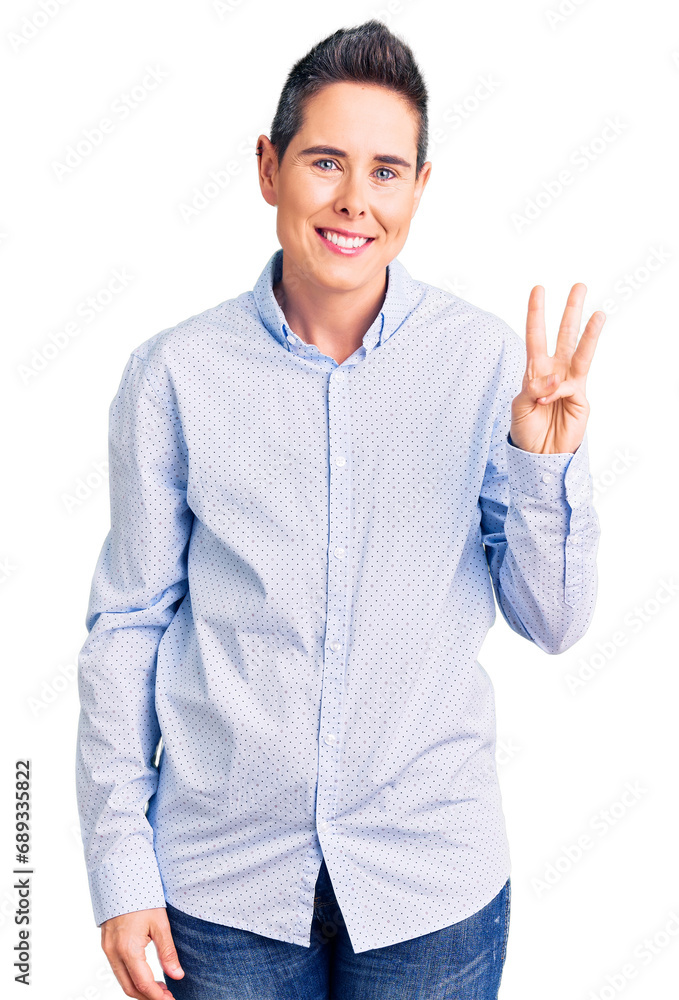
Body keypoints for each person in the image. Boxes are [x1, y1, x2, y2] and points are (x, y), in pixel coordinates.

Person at [75, 19, 604, 1000]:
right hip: (221, 887)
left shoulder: (488, 363)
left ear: (419, 188)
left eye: (385, 171)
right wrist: (120, 866)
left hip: (429, 888)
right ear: (268, 168)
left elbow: (556, 623)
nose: (355, 199)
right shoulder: (175, 375)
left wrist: (545, 462)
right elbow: (127, 627)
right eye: (325, 162)